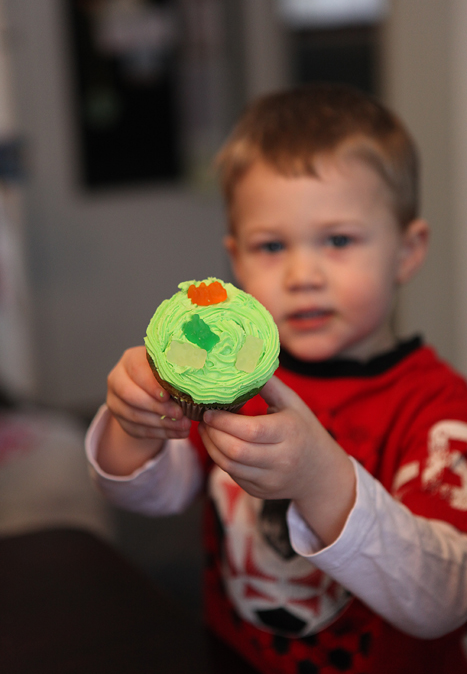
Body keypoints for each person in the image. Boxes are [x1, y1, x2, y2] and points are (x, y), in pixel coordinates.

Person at [86, 84, 467, 674]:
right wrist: (133, 423)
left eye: (338, 240)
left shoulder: (439, 410)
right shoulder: (226, 381)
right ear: (236, 259)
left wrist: (319, 476)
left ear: (407, 251)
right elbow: (150, 496)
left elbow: (445, 598)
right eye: (270, 246)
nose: (301, 274)